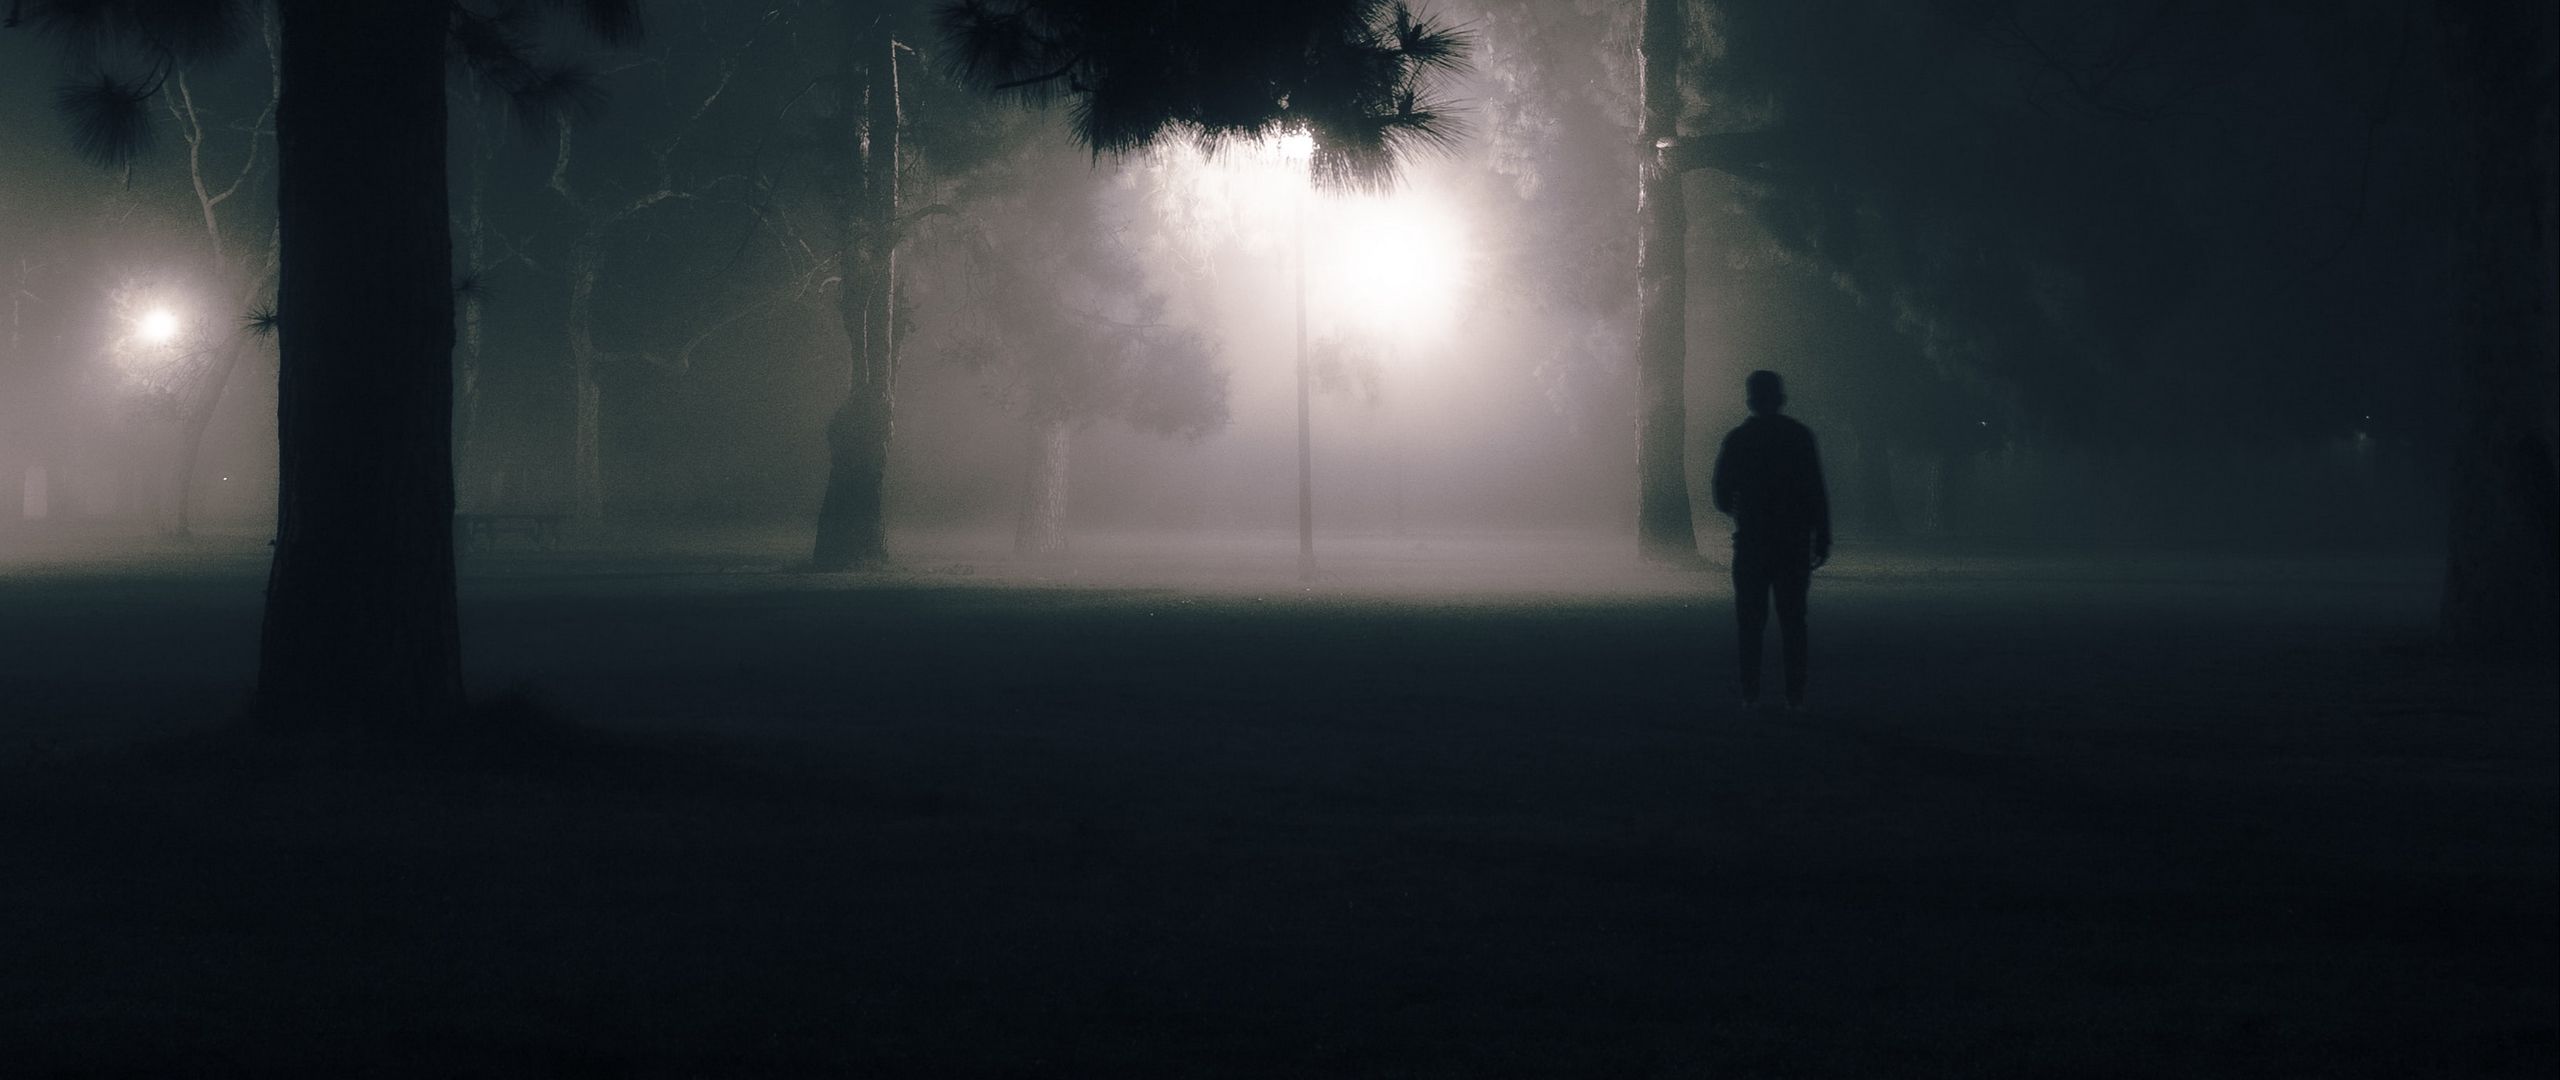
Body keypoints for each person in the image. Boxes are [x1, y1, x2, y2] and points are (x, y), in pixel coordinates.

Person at [1711, 370, 1831, 711]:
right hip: (1792, 543)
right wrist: (1821, 537)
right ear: (1780, 399)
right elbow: (1816, 491)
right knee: (1793, 620)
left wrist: (1738, 506)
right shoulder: (1799, 437)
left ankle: (1751, 692)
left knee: (1750, 622)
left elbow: (1720, 493)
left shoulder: (1738, 439)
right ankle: (1795, 693)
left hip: (1752, 541)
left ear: (1750, 400)